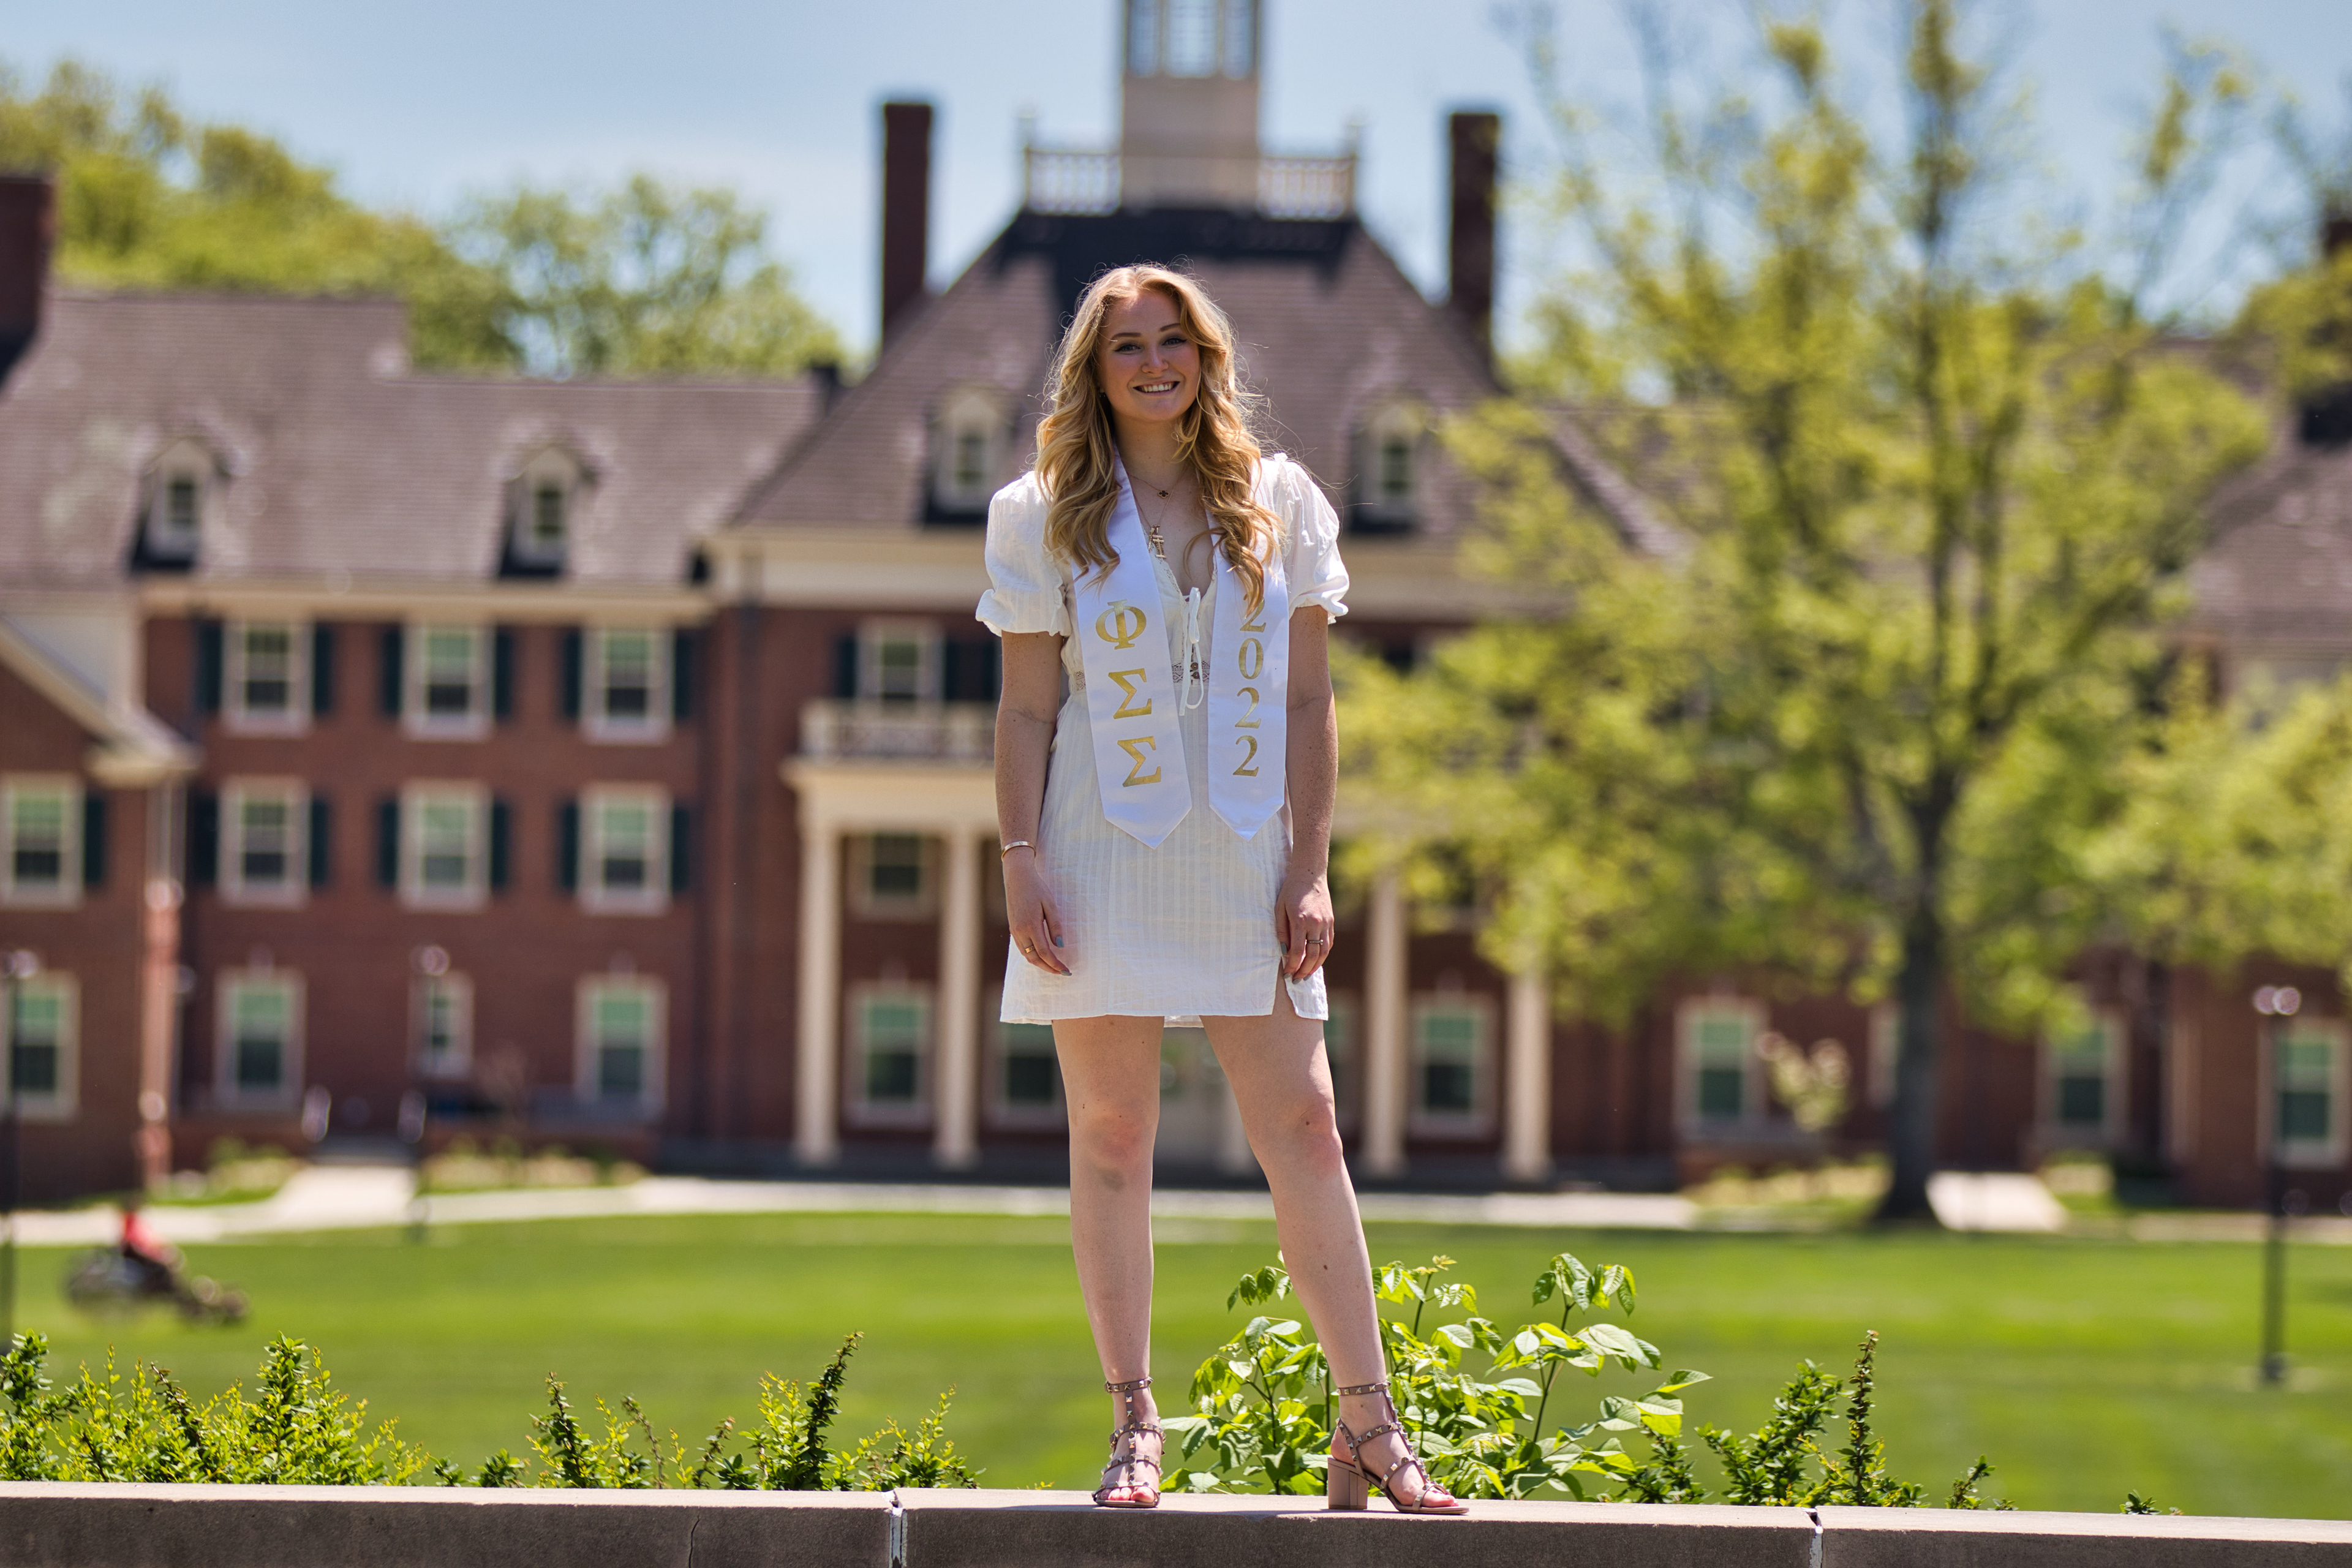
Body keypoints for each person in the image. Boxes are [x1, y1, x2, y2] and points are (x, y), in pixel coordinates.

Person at [977, 263, 1466, 1516]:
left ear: (1206, 357)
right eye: (1127, 346)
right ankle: (1135, 1421)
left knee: (1307, 1124)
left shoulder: (1278, 500)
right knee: (1112, 1134)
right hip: (1098, 844)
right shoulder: (1042, 514)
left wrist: (1310, 867)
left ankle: (1369, 1420)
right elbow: (1027, 709)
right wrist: (1021, 859)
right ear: (1094, 371)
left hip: (1245, 848)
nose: (1154, 364)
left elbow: (1308, 698)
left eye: (1173, 341)